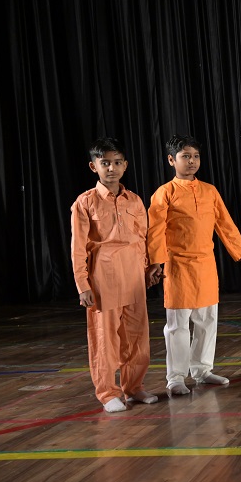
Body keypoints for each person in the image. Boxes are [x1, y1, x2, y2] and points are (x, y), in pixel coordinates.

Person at [147, 135, 241, 395]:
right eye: (185, 156)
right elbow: (155, 231)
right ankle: (175, 378)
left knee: (207, 321)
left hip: (206, 264)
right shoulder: (165, 193)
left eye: (196, 156)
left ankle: (202, 370)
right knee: (178, 326)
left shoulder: (210, 191)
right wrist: (155, 262)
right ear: (171, 160)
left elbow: (225, 224)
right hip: (178, 266)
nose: (192, 161)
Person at [70, 138, 158, 413]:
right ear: (93, 166)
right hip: (103, 277)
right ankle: (108, 393)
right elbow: (78, 248)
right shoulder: (85, 202)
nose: (112, 168)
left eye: (117, 162)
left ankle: (134, 387)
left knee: (137, 336)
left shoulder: (135, 200)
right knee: (105, 338)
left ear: (125, 165)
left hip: (133, 276)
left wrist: (148, 268)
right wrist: (82, 284)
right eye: (105, 163)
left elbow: (142, 238)